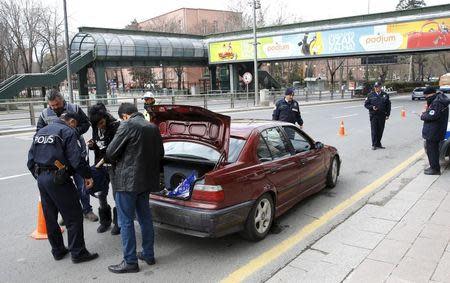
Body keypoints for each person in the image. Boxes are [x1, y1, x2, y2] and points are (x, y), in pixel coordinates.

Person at [27, 112, 99, 263]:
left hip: (42, 178)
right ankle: (78, 252)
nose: (76, 128)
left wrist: (40, 176)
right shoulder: (67, 131)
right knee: (74, 215)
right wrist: (87, 175)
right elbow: (76, 160)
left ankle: (58, 251)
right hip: (58, 178)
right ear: (72, 122)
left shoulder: (42, 131)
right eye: (76, 125)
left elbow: (30, 160)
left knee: (50, 216)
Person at [106, 103, 164, 273]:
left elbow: (110, 152)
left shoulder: (127, 125)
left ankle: (130, 262)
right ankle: (148, 254)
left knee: (126, 221)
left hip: (127, 182)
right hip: (145, 181)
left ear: (124, 116)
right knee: (145, 218)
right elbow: (160, 153)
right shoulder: (153, 127)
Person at [37, 89, 98, 222]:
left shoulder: (74, 108)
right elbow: (39, 133)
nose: (54, 108)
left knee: (82, 183)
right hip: (57, 160)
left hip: (75, 152)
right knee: (62, 188)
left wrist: (72, 132)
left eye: (57, 104)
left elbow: (86, 124)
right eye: (52, 105)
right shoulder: (44, 114)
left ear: (62, 100)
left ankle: (87, 210)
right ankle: (67, 213)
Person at [88, 103, 121, 234]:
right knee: (101, 194)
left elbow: (118, 149)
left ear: (105, 117)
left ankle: (118, 223)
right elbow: (98, 143)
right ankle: (105, 221)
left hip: (114, 166)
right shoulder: (95, 126)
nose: (100, 126)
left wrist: (107, 158)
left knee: (117, 195)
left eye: (101, 123)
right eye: (97, 125)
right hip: (99, 166)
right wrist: (92, 145)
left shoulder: (116, 127)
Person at [421, 86, 450, 175]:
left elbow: (432, 115)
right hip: (436, 129)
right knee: (433, 150)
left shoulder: (437, 102)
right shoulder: (439, 100)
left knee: (432, 150)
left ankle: (435, 169)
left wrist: (423, 115)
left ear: (431, 94)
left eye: (426, 95)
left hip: (433, 130)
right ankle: (433, 166)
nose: (426, 97)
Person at [364, 82, 391, 150]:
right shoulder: (370, 95)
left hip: (382, 115)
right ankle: (374, 144)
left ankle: (378, 143)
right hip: (373, 115)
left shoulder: (385, 95)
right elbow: (366, 104)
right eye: (375, 87)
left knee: (380, 130)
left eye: (378, 87)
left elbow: (388, 105)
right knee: (374, 130)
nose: (376, 88)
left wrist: (387, 114)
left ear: (380, 87)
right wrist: (372, 107)